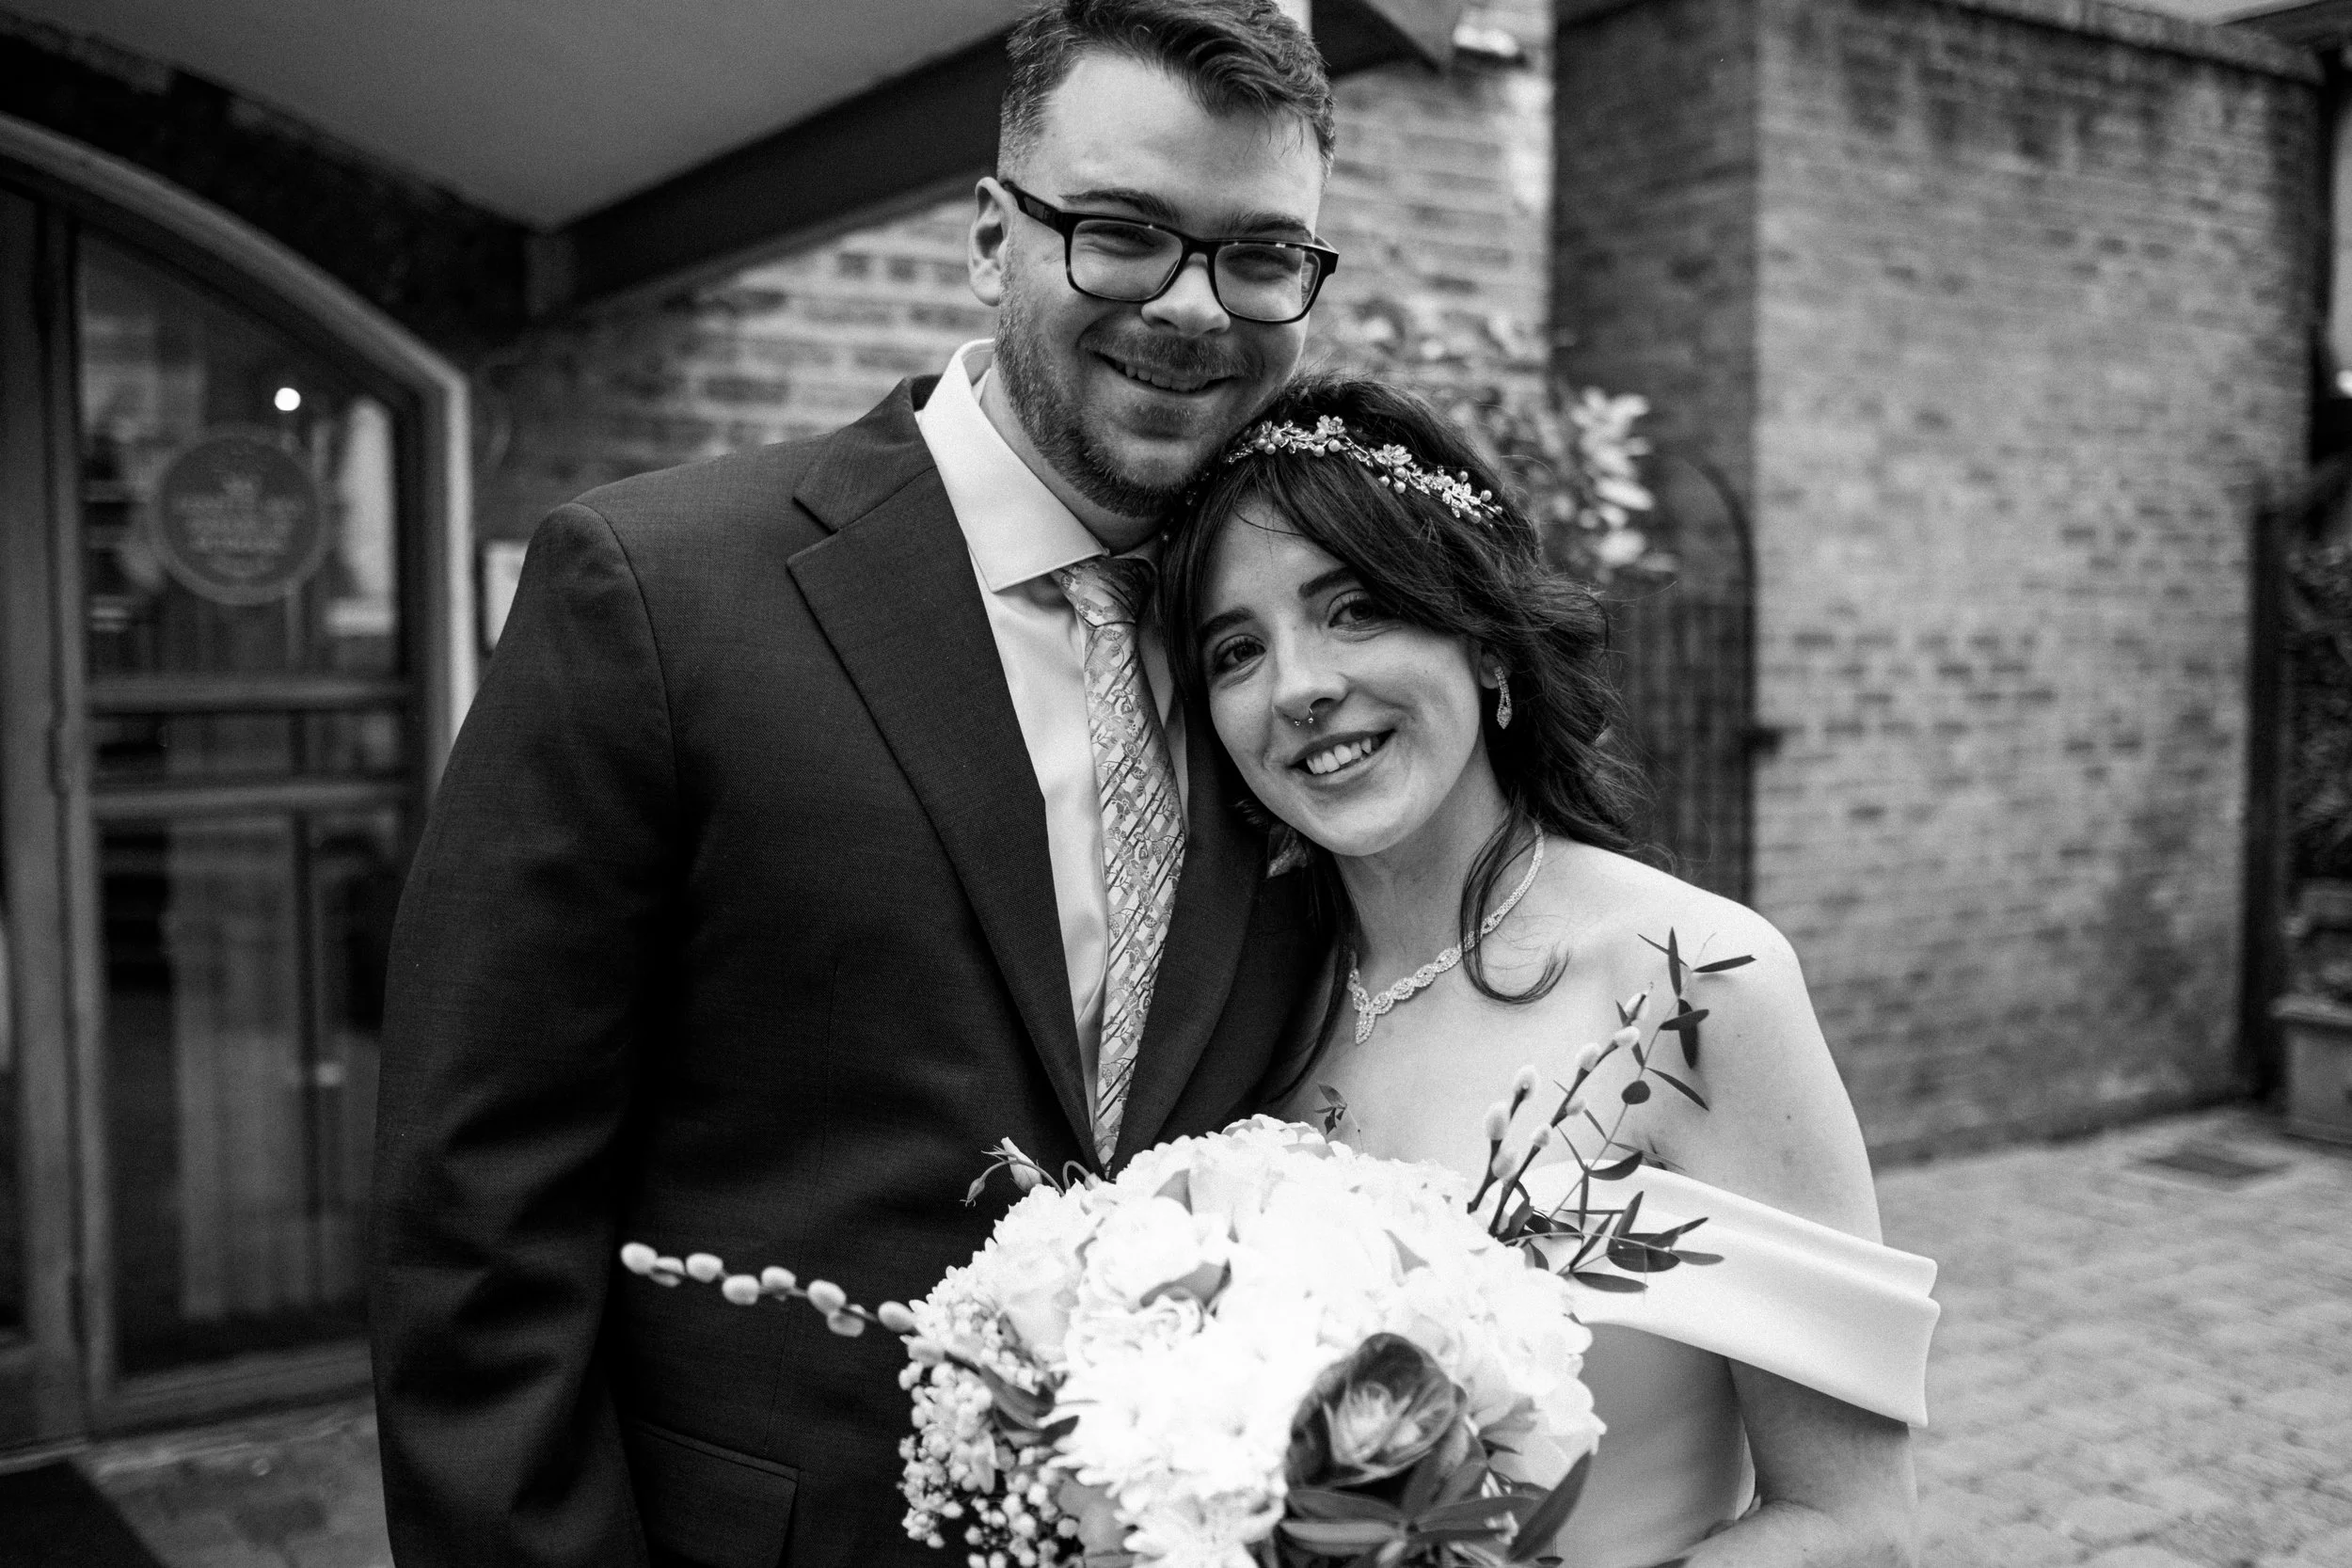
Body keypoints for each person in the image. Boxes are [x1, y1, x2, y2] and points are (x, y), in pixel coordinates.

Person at [368, 5, 1338, 1564]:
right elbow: (478, 1215)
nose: (1192, 307)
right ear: (984, 233)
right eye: (1121, 233)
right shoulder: (657, 591)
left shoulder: (1295, 661)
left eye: (1261, 256)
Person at [1162, 375, 1939, 1568]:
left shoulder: (1693, 982)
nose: (1299, 684)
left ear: (1481, 641)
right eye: (1235, 649)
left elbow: (1855, 1522)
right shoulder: (1242, 996)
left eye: (1355, 608)